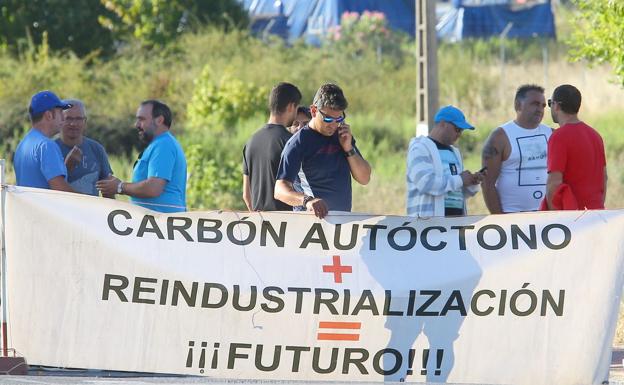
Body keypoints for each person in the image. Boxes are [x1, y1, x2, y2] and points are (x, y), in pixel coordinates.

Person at [274, 83, 371, 219]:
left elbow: (365, 178)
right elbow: (279, 190)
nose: (333, 125)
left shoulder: (342, 135)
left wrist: (349, 149)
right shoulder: (298, 143)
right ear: (314, 111)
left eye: (339, 119)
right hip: (310, 223)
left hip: (341, 222)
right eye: (328, 119)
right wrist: (307, 201)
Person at [96, 100, 187, 213]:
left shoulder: (163, 145)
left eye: (142, 119)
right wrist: (113, 187)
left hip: (162, 224)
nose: (136, 124)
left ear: (159, 120)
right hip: (155, 224)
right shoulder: (160, 144)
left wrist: (119, 187)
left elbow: (153, 188)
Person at [481, 84, 552, 214]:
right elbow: (487, 183)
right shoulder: (500, 136)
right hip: (512, 216)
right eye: (534, 104)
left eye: (543, 105)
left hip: (547, 217)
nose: (540, 109)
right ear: (518, 105)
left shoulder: (552, 134)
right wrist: (500, 219)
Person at [406, 105, 482, 217]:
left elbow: (455, 193)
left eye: (461, 131)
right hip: (425, 227)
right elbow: (426, 183)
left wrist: (471, 183)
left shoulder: (455, 153)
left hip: (454, 225)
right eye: (457, 129)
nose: (460, 134)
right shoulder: (420, 148)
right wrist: (460, 179)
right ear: (442, 124)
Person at [242, 82, 302, 211]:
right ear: (292, 106)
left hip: (259, 223)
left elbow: (246, 195)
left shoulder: (251, 141)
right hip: (286, 225)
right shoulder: (291, 142)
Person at [546, 84, 607, 210]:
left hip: (572, 217)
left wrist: (553, 219)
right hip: (596, 213)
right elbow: (603, 177)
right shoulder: (595, 135)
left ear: (556, 105)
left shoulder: (559, 137)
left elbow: (554, 183)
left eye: (550, 103)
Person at [14, 90, 74, 192]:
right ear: (49, 115)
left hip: (25, 208)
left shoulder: (23, 144)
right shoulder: (46, 145)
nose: (64, 118)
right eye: (60, 112)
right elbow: (60, 190)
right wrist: (89, 202)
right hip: (42, 208)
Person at [55, 99, 114, 197]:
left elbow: (108, 191)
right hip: (59, 211)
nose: (73, 124)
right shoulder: (50, 149)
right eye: (68, 118)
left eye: (78, 119)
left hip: (91, 211)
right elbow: (45, 190)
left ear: (85, 121)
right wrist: (66, 167)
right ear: (60, 120)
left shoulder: (96, 149)